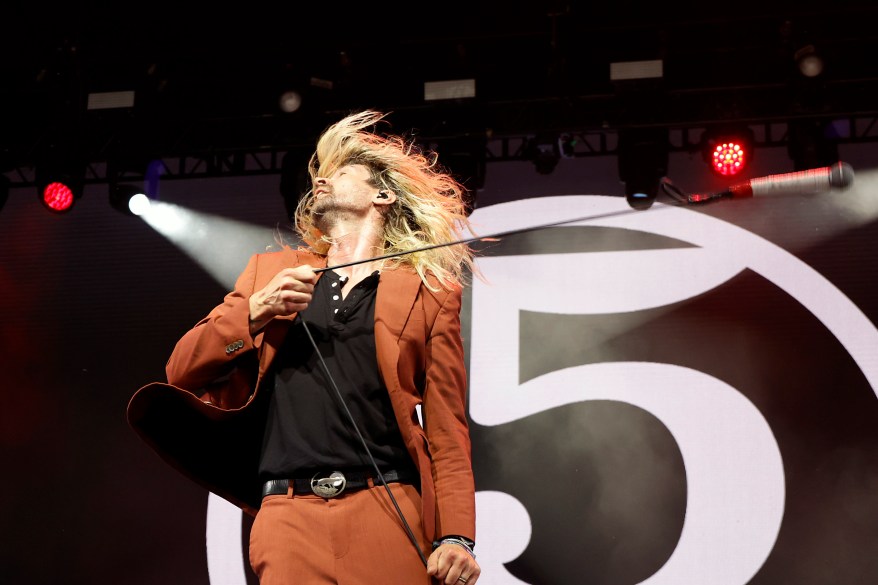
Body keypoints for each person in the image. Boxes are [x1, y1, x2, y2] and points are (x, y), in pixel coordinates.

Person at [127, 110, 481, 584]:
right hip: (288, 517)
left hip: (388, 508)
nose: (321, 181)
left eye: (339, 173)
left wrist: (457, 536)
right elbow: (181, 370)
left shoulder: (429, 293)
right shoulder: (269, 273)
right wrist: (255, 310)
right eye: (318, 175)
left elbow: (447, 429)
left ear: (383, 195)